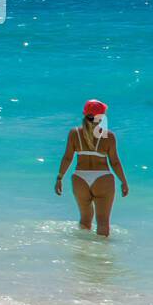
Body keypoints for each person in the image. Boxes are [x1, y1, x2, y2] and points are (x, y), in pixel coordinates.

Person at [55, 99, 128, 236]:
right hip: (102, 178)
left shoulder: (74, 133)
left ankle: (83, 247)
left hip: (80, 178)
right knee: (103, 221)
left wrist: (60, 178)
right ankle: (101, 249)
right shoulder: (109, 136)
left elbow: (67, 158)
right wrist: (123, 181)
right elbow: (115, 162)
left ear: (85, 114)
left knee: (85, 219)